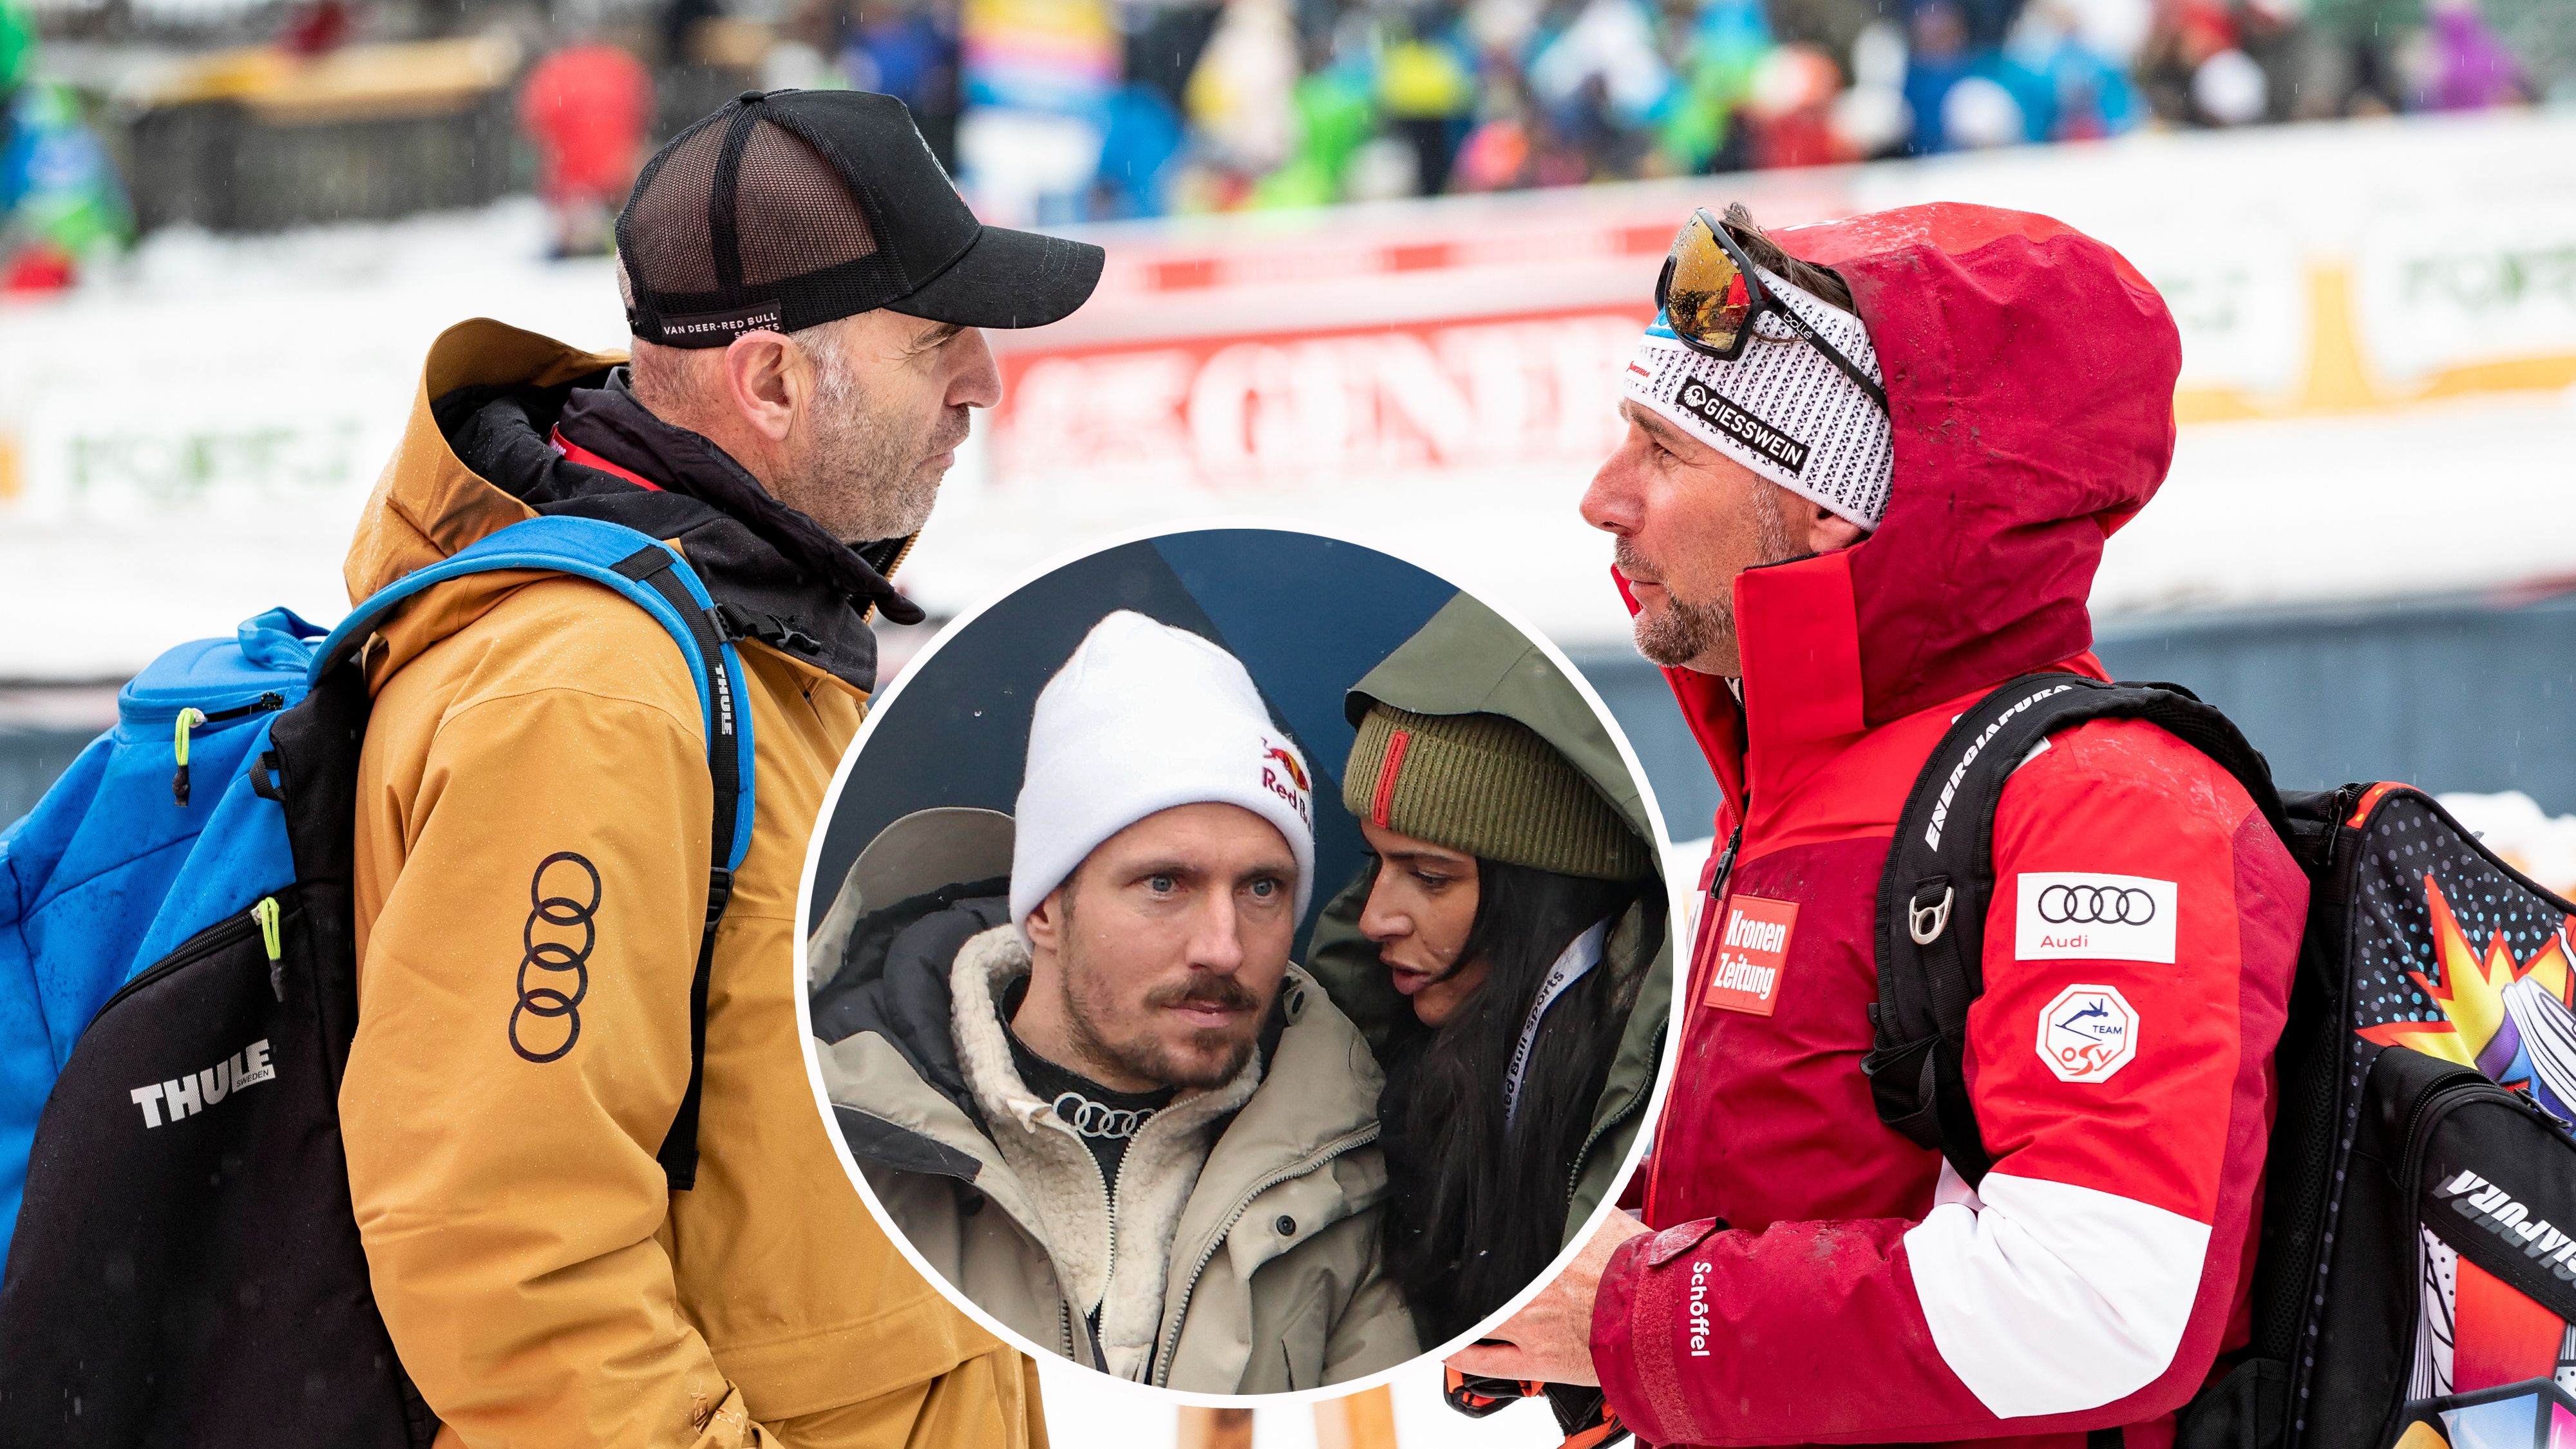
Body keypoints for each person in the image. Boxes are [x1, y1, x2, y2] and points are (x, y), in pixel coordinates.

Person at [1450, 201, 2309, 1449]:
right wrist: (1580, 1258)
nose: (1602, 498)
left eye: (1662, 450)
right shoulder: (1799, 783)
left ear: (1828, 511)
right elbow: (1819, 1185)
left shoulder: (2104, 807)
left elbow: (2098, 1302)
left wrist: (1641, 1320)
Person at [339, 90, 1100, 1448]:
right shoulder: (591, 698)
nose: (983, 380)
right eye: (939, 340)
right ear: (769, 381)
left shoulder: (757, 636)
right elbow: (507, 1251)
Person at [810, 611, 1419, 1392]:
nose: (1223, 947)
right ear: (1043, 906)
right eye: (1164, 884)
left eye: (1262, 887)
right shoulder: (837, 1126)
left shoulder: (1363, 1165)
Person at [1303, 594, 1669, 1350]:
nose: (1374, 919)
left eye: (1429, 877)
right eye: (1376, 863)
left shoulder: (1660, 1093)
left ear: (1544, 896)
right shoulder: (1364, 1075)